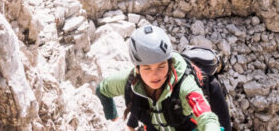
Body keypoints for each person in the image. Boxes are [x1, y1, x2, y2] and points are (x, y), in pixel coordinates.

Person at [96, 25, 228, 131]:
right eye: (147, 68)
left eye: (161, 66)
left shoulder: (184, 85)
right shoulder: (128, 81)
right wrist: (112, 114)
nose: (155, 75)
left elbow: (206, 116)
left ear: (170, 64)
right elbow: (102, 89)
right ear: (137, 69)